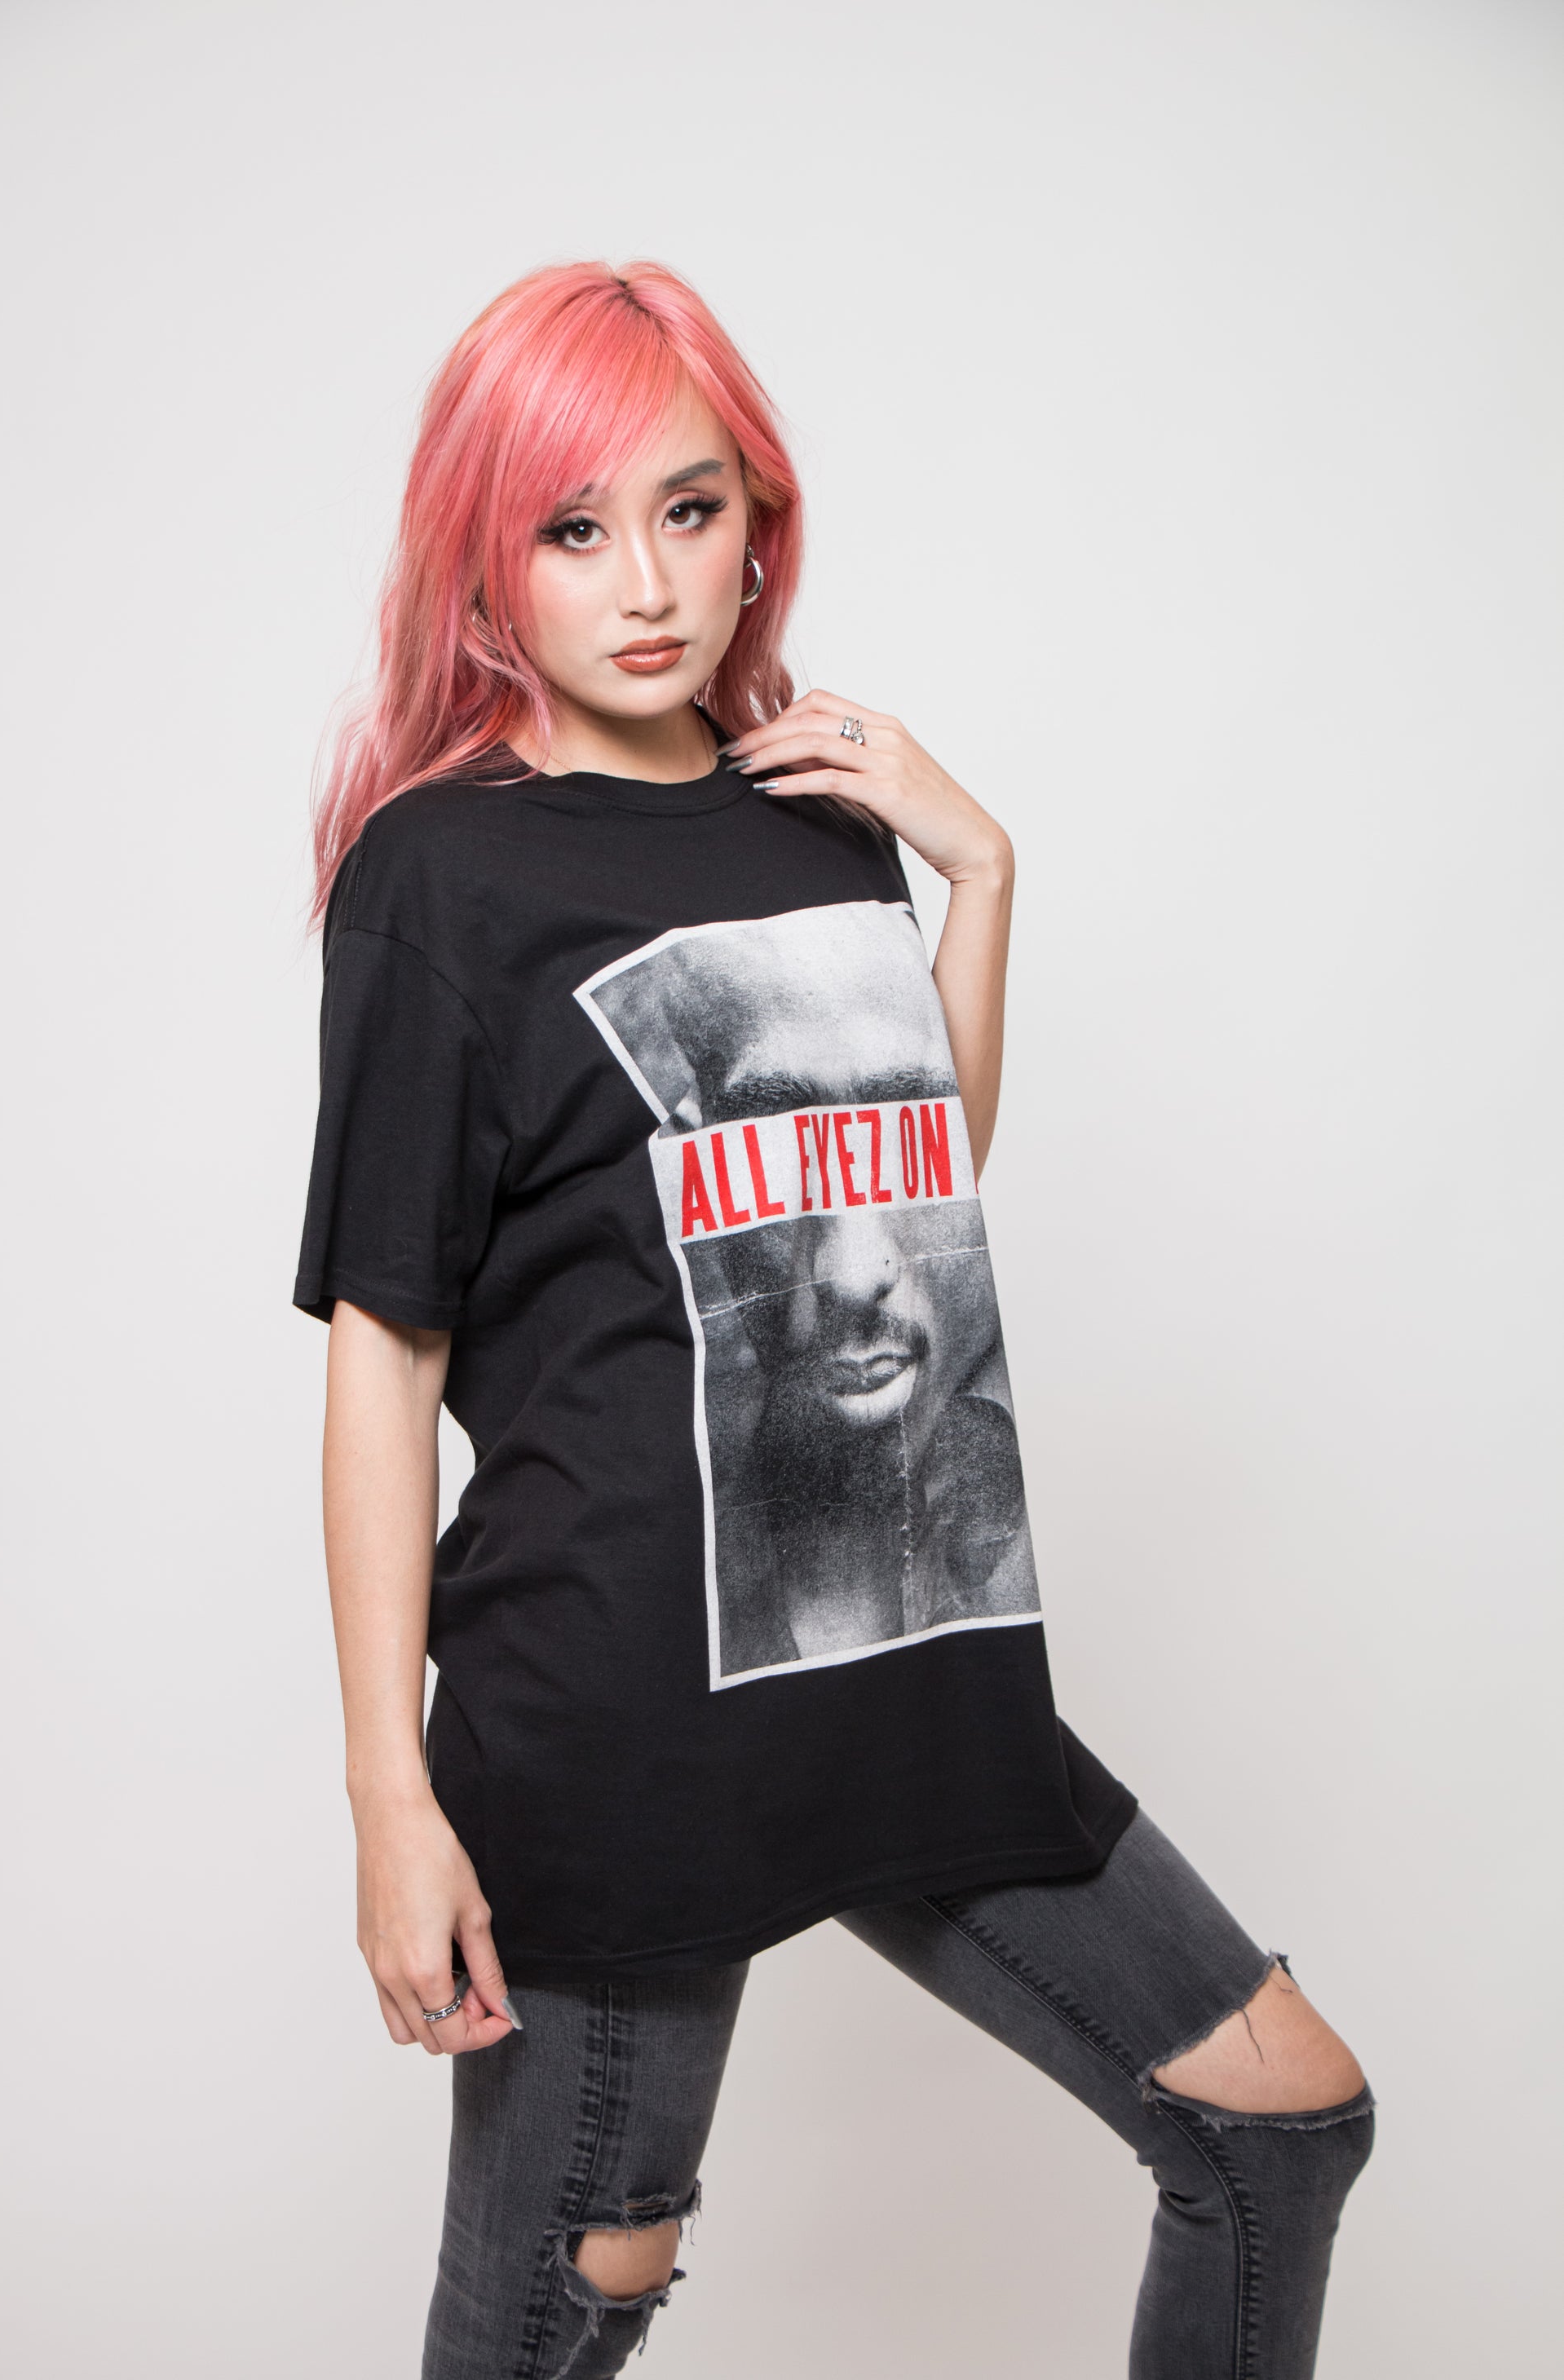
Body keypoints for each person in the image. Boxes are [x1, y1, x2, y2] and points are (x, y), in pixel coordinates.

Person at [296, 260, 1373, 2380]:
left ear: (755, 520)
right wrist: (388, 1803)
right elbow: (381, 1351)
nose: (646, 586)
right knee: (572, 2294)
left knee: (1276, 2127)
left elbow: (903, 1182)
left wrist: (979, 875)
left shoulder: (813, 814)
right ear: (484, 547)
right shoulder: (443, 876)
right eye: (574, 525)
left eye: (689, 511)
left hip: (910, 1661)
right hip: (618, 1708)